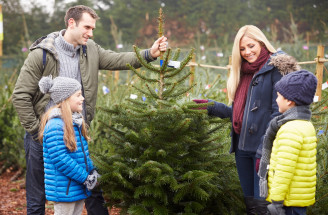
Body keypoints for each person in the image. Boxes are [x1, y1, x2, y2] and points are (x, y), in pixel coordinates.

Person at [12, 5, 167, 215]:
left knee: (91, 186)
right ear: (71, 23)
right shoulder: (42, 54)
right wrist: (36, 130)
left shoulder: (90, 49)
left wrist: (149, 54)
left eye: (93, 28)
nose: (91, 33)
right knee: (36, 197)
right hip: (43, 134)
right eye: (87, 27)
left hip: (76, 132)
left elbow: (117, 59)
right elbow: (20, 95)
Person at [193, 25, 300, 214]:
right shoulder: (244, 72)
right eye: (242, 49)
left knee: (264, 207)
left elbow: (280, 113)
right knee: (251, 206)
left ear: (261, 42)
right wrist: (210, 106)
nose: (247, 52)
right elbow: (238, 113)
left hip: (264, 151)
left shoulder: (277, 69)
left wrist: (264, 150)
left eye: (251, 46)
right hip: (242, 150)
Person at [258, 70, 317, 215]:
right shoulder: (305, 124)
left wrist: (276, 202)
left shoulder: (290, 129)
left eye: (278, 96)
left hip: (287, 202)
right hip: (296, 199)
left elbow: (284, 170)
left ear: (289, 100)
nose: (276, 100)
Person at [38, 76, 99, 215]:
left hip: (77, 186)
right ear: (65, 99)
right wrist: (85, 177)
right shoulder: (55, 125)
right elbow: (61, 159)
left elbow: (82, 154)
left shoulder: (75, 122)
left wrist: (92, 171)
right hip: (64, 189)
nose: (82, 98)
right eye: (78, 95)